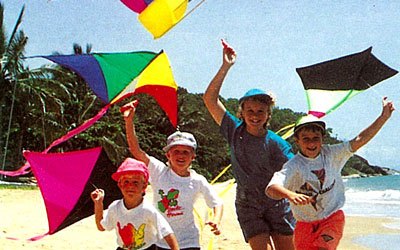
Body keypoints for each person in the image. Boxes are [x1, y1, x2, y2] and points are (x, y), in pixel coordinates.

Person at [266, 97, 395, 250]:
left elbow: (359, 140)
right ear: (296, 140)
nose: (311, 143)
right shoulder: (294, 166)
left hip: (332, 218)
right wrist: (290, 195)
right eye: (305, 139)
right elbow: (271, 188)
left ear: (322, 138)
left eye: (316, 138)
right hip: (304, 224)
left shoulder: (332, 154)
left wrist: (383, 117)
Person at [203, 39, 295, 250]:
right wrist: (226, 66)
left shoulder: (276, 143)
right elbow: (209, 99)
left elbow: (295, 169)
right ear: (241, 113)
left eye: (260, 111)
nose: (255, 116)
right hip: (248, 204)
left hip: (277, 204)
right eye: (250, 111)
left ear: (268, 114)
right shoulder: (234, 131)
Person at [122, 102, 223, 250]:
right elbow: (136, 151)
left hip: (189, 241)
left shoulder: (197, 180)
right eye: (176, 151)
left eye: (185, 152)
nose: (180, 156)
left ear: (193, 156)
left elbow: (217, 203)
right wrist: (129, 121)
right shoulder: (159, 171)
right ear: (168, 155)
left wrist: (216, 220)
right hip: (161, 240)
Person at [91, 158, 179, 250]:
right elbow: (102, 227)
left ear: (144, 186)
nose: (130, 186)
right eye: (126, 182)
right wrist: (98, 203)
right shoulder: (115, 208)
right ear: (120, 185)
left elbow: (167, 232)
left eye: (135, 182)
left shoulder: (148, 209)